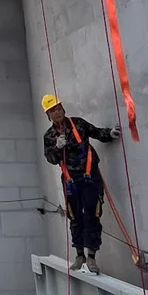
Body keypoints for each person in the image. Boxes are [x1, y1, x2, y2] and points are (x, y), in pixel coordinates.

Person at [41, 94, 121, 275]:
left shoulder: (78, 124)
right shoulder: (50, 136)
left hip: (90, 175)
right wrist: (57, 148)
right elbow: (51, 158)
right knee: (75, 216)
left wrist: (110, 133)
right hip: (71, 180)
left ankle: (91, 256)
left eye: (59, 108)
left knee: (93, 213)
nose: (58, 112)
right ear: (48, 115)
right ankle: (79, 255)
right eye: (53, 111)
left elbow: (96, 132)